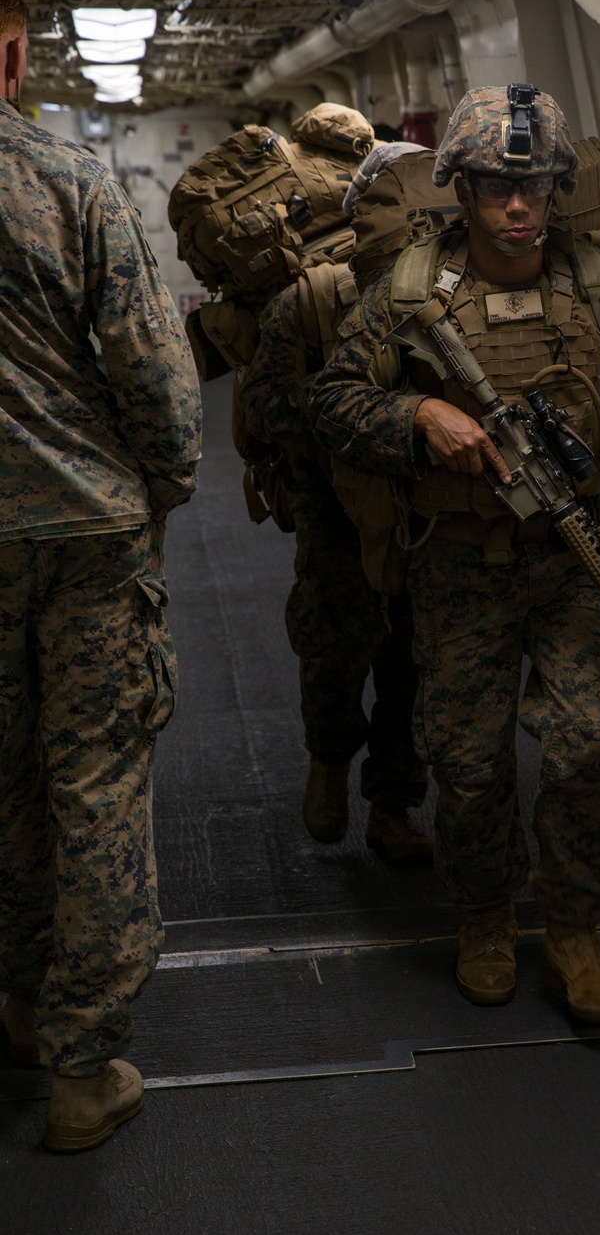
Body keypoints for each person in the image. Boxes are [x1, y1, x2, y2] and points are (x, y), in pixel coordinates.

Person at [307, 84, 600, 1024]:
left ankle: (576, 929)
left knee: (593, 744)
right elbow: (331, 403)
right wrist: (418, 413)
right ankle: (487, 916)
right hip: (456, 563)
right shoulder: (409, 295)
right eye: (497, 184)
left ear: (556, 187)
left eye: (534, 185)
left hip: (575, 563)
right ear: (460, 188)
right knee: (468, 760)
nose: (517, 206)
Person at [0, 0, 202, 1150]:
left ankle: (23, 1003)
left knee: (7, 776)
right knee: (96, 788)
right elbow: (151, 368)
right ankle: (83, 1067)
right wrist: (163, 488)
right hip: (83, 537)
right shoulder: (71, 177)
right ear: (17, 60)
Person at [236, 134, 432, 865]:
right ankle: (328, 759)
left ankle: (394, 805)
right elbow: (264, 411)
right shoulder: (312, 302)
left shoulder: (458, 297)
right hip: (339, 511)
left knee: (417, 664)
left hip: (432, 512)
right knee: (334, 652)